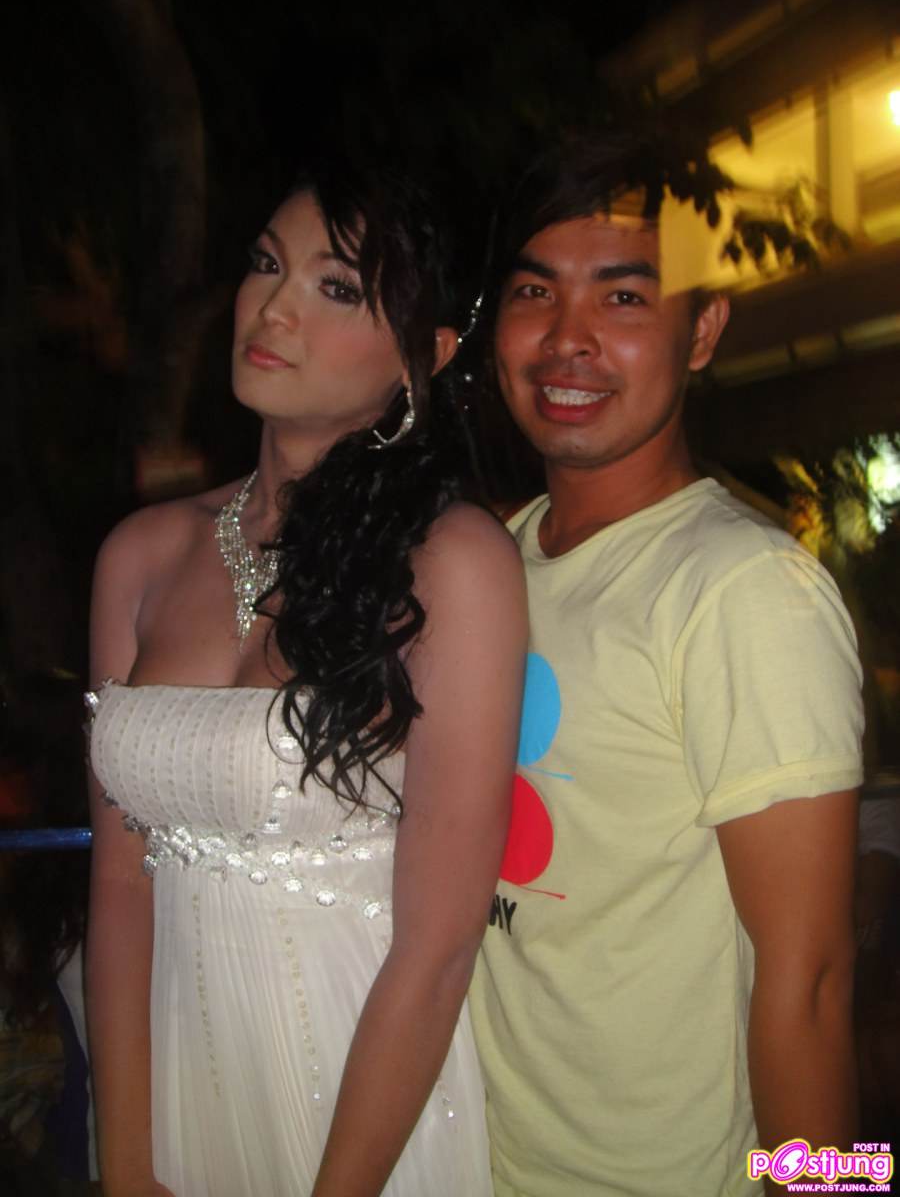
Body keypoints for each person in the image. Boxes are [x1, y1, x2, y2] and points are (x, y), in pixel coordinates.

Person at [84, 161, 527, 1197]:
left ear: (423, 357)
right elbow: (119, 883)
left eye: (334, 287)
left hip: (357, 1097)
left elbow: (439, 949)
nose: (273, 306)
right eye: (265, 264)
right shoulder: (141, 554)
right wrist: (128, 1163)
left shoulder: (452, 564)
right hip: (172, 1088)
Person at [469, 134, 864, 1197]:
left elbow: (812, 981)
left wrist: (832, 1189)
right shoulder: (489, 561)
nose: (568, 339)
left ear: (704, 331)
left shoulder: (744, 591)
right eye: (534, 293)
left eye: (624, 298)